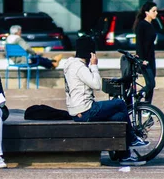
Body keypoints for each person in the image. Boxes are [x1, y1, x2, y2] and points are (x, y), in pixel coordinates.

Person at [63, 37, 148, 166]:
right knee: (120, 103)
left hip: (77, 111)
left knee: (119, 117)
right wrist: (94, 66)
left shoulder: (70, 65)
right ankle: (132, 139)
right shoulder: (79, 67)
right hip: (86, 110)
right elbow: (97, 85)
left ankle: (124, 156)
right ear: (90, 53)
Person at [133, 1, 158, 103]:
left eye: (156, 11)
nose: (156, 13)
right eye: (154, 11)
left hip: (151, 58)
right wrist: (142, 59)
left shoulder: (151, 24)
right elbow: (139, 44)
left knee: (151, 85)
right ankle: (139, 95)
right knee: (151, 83)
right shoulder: (142, 25)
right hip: (145, 60)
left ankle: (148, 108)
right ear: (147, 12)